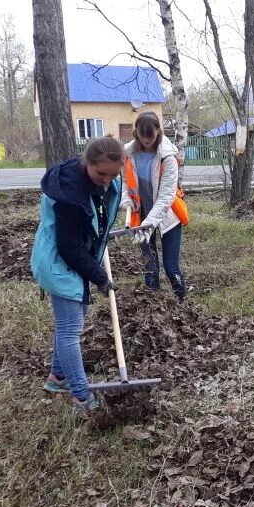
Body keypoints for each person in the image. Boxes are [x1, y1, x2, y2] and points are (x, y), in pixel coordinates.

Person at [31, 137, 126, 413]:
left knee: (71, 321)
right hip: (58, 261)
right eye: (101, 173)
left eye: (114, 174)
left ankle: (58, 377)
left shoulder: (103, 181)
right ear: (88, 163)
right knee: (70, 329)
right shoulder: (68, 194)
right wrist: (98, 276)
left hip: (80, 257)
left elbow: (99, 215)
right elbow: (68, 246)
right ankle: (81, 396)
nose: (107, 180)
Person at [120, 112, 188, 300]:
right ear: (137, 133)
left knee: (170, 267)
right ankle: (153, 308)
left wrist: (149, 225)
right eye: (143, 136)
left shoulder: (168, 157)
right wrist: (126, 200)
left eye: (151, 135)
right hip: (140, 216)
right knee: (149, 267)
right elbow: (125, 182)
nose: (147, 140)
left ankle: (183, 303)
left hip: (168, 218)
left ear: (158, 131)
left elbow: (166, 196)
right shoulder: (129, 154)